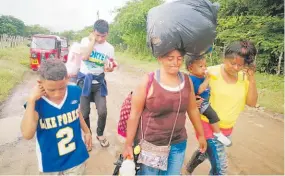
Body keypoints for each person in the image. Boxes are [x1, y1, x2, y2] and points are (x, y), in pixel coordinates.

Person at [122, 49, 207, 175]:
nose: (175, 62)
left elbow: (193, 109)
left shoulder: (186, 80)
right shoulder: (148, 81)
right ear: (160, 58)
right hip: (151, 146)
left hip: (178, 143)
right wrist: (128, 144)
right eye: (170, 58)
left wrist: (201, 135)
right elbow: (134, 114)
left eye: (179, 58)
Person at [186, 40, 258, 175]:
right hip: (207, 125)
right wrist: (192, 100)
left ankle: (189, 168)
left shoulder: (245, 77)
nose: (236, 68)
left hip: (227, 128)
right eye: (232, 63)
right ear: (224, 58)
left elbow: (252, 103)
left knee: (207, 153)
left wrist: (252, 80)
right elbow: (190, 87)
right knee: (220, 168)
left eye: (240, 65)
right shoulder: (209, 72)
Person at [21, 59, 92, 175]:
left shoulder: (74, 92)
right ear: (40, 83)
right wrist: (31, 100)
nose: (57, 94)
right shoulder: (37, 103)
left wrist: (87, 131)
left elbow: (77, 113)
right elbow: (27, 134)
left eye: (62, 88)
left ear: (67, 78)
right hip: (50, 163)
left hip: (76, 157)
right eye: (51, 90)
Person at [78, 19, 116, 148]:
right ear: (93, 32)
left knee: (103, 111)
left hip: (99, 82)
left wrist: (109, 68)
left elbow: (109, 65)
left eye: (103, 36)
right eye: (97, 35)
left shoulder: (109, 48)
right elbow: (84, 57)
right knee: (84, 113)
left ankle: (100, 134)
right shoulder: (85, 41)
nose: (100, 39)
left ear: (107, 34)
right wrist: (92, 41)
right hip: (84, 82)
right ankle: (87, 136)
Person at [186, 55, 232, 147]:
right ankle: (217, 133)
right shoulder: (192, 79)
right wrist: (207, 79)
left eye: (205, 66)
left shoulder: (200, 77)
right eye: (201, 66)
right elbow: (199, 90)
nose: (204, 68)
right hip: (200, 103)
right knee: (213, 115)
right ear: (190, 68)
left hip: (205, 101)